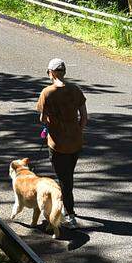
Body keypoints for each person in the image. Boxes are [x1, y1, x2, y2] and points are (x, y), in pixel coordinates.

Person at [36, 57, 86, 229]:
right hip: (75, 142)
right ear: (64, 72)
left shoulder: (47, 92)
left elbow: (42, 118)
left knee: (64, 181)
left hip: (57, 144)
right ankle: (67, 209)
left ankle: (70, 215)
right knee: (68, 176)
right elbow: (84, 116)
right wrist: (78, 130)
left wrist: (50, 124)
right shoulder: (76, 90)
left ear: (50, 73)